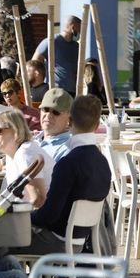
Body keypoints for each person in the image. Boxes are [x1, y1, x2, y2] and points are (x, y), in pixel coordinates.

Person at [10, 95, 111, 256]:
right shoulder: (103, 162)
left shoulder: (68, 163)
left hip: (57, 242)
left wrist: (22, 217)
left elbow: (48, 216)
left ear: (69, 121)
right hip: (81, 241)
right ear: (97, 125)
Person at [0, 110, 54, 207]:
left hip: (42, 218)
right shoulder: (13, 153)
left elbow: (39, 200)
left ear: (16, 131)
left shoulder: (25, 153)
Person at [32, 16, 81, 95]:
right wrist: (41, 83)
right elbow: (35, 62)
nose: (80, 32)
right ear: (73, 27)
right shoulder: (51, 41)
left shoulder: (76, 46)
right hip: (56, 89)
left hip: (72, 90)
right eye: (79, 28)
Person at [36, 88, 74, 162]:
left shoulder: (69, 150)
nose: (48, 115)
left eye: (56, 112)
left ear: (69, 118)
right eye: (46, 109)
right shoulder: (33, 140)